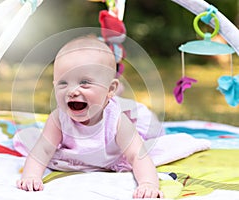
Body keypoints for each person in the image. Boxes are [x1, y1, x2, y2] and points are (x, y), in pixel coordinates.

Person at [16, 35, 165, 198]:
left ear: (110, 88)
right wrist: (31, 176)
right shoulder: (58, 118)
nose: (72, 91)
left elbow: (137, 155)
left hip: (110, 153)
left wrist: (148, 184)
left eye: (84, 82)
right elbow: (42, 150)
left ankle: (114, 95)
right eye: (63, 83)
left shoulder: (118, 121)